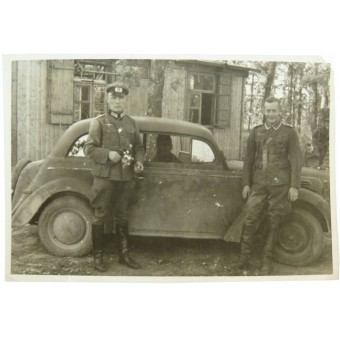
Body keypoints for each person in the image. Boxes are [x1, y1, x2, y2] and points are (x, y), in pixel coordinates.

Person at [84, 81, 145, 272]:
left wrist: (139, 160)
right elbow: (89, 149)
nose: (117, 101)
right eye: (113, 97)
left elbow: (139, 147)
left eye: (121, 98)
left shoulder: (131, 123)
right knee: (100, 216)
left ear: (125, 100)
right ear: (108, 100)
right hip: (105, 177)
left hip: (126, 177)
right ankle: (98, 258)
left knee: (122, 216)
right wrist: (108, 154)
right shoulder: (99, 122)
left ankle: (124, 255)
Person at [239, 96, 302, 275]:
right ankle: (244, 258)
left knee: (274, 222)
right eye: (268, 111)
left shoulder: (289, 132)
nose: (271, 114)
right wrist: (246, 183)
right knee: (250, 218)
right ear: (264, 111)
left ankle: (266, 261)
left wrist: (294, 186)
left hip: (280, 186)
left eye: (274, 110)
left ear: (279, 111)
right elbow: (248, 160)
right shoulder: (256, 132)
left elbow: (296, 160)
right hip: (258, 183)